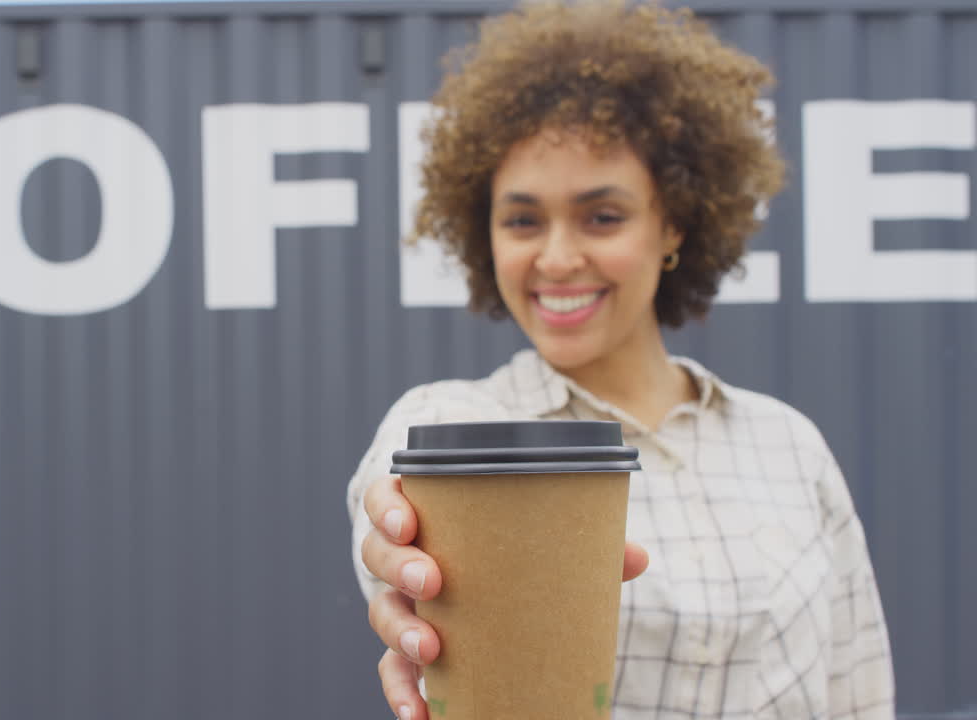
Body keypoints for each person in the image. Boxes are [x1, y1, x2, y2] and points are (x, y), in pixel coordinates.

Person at [345, 1, 895, 718]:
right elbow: (387, 507)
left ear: (673, 223)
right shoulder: (450, 424)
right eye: (522, 220)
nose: (558, 257)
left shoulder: (789, 445)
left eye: (602, 216)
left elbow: (859, 694)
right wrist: (396, 555)